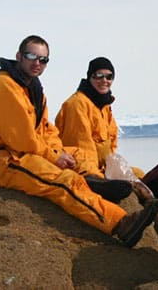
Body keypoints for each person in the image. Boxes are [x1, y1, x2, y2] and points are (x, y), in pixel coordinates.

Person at [0, 35, 158, 248]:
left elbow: (46, 129)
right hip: (5, 160)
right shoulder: (5, 86)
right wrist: (53, 156)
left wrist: (59, 151)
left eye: (43, 60)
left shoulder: (32, 88)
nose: (37, 63)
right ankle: (120, 223)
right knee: (63, 182)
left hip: (24, 152)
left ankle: (93, 181)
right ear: (18, 56)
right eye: (31, 56)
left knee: (78, 155)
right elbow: (21, 139)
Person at [55, 56, 152, 203]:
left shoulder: (104, 106)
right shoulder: (77, 104)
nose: (104, 80)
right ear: (89, 77)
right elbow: (80, 148)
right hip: (80, 165)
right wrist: (99, 176)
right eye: (99, 75)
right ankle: (98, 185)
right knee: (120, 186)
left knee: (141, 174)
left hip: (101, 166)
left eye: (109, 76)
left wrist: (114, 169)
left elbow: (110, 146)